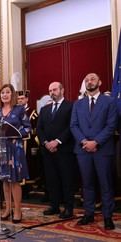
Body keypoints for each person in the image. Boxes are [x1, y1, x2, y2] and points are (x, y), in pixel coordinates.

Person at [70, 73, 117, 230]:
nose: (90, 82)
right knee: (87, 183)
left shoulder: (110, 102)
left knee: (105, 184)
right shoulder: (78, 104)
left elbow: (111, 125)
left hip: (102, 150)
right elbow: (73, 125)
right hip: (83, 150)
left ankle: (107, 216)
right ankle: (88, 214)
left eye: (93, 79)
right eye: (87, 80)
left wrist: (96, 142)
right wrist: (84, 142)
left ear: (100, 82)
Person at [37, 82, 76, 219]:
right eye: (50, 90)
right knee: (52, 180)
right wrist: (46, 143)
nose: (52, 92)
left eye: (54, 89)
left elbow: (71, 127)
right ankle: (54, 206)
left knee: (67, 180)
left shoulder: (71, 107)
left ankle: (68, 208)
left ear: (62, 90)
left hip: (64, 150)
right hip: (48, 151)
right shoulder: (45, 109)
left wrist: (57, 141)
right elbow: (39, 128)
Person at [0, 84, 31, 223]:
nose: (5, 95)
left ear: (12, 94)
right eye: (2, 93)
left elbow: (28, 128)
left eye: (7, 92)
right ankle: (7, 209)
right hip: (1, 149)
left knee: (14, 181)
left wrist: (16, 134)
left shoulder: (19, 109)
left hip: (15, 148)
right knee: (5, 180)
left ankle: (18, 210)